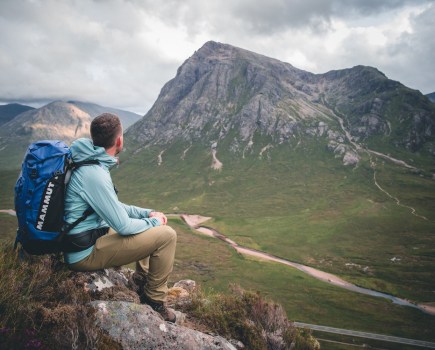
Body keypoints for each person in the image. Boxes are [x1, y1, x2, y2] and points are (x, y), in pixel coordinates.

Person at [64, 113, 177, 322]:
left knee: (145, 227)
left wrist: (146, 214)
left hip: (89, 237)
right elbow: (124, 227)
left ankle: (141, 282)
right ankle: (154, 300)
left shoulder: (90, 163)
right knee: (167, 235)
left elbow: (114, 208)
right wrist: (155, 222)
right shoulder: (94, 174)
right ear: (119, 140)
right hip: (83, 253)